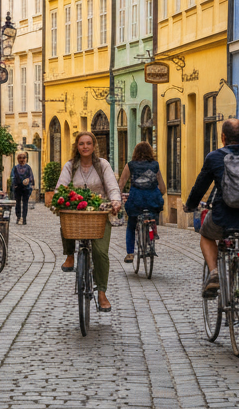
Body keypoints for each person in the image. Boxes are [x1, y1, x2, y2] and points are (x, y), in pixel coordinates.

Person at [184, 118, 239, 327]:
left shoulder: (214, 157)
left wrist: (190, 205)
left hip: (223, 218)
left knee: (205, 235)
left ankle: (213, 272)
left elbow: (200, 186)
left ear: (223, 138)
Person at [56, 132, 122, 312]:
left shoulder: (102, 165)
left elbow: (112, 186)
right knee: (65, 218)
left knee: (101, 253)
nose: (85, 147)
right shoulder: (70, 166)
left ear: (93, 146)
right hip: (76, 210)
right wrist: (58, 198)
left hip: (99, 213)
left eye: (88, 143)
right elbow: (61, 187)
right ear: (77, 146)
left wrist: (115, 201)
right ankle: (70, 255)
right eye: (81, 144)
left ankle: (101, 293)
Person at [117, 142, 165, 262]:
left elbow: (121, 185)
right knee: (152, 216)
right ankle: (152, 235)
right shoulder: (155, 165)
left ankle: (130, 253)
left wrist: (118, 197)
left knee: (131, 225)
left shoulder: (130, 166)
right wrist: (157, 193)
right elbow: (163, 188)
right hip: (153, 200)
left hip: (136, 200)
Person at [9, 152, 35, 225]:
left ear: (25, 159)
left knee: (25, 203)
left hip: (26, 188)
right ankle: (18, 217)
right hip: (18, 188)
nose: (22, 159)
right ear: (18, 159)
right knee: (18, 203)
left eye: (23, 158)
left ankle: (24, 218)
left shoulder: (28, 168)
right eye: (20, 158)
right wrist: (14, 184)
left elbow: (31, 177)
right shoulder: (15, 168)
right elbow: (12, 177)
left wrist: (28, 180)